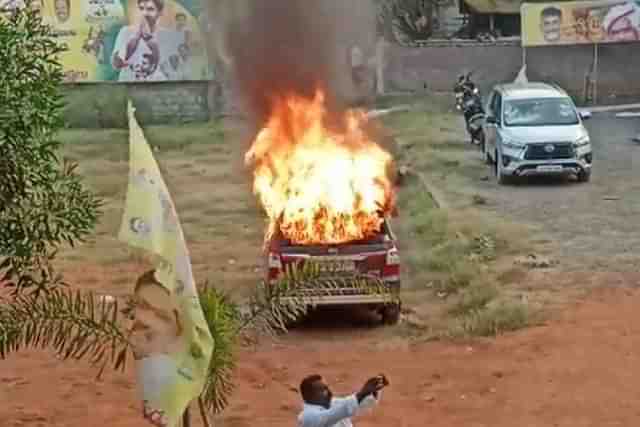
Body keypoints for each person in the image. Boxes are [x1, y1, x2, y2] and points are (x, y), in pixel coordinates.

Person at [111, 0, 182, 81]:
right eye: (141, 8)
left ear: (160, 12)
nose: (144, 13)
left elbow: (173, 69)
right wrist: (135, 37)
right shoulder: (126, 31)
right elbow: (116, 65)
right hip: (129, 87)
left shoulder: (167, 35)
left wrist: (151, 43)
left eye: (150, 9)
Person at [297, 374, 388, 427]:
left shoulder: (332, 403)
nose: (329, 392)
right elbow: (336, 413)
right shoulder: (306, 417)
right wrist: (362, 393)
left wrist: (375, 389)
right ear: (309, 396)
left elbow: (358, 405)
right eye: (323, 390)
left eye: (327, 388)